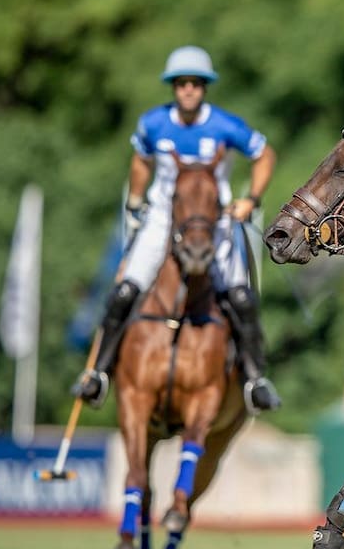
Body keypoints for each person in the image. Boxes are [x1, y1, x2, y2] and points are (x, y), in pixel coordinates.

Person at [71, 45, 282, 413]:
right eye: (182, 83)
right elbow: (141, 161)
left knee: (241, 297)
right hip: (163, 219)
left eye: (196, 84)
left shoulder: (224, 125)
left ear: (204, 88)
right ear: (173, 87)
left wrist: (252, 198)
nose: (188, 89)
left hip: (213, 221)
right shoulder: (153, 123)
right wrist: (135, 201)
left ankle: (255, 379)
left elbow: (264, 155)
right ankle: (99, 374)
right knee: (125, 291)